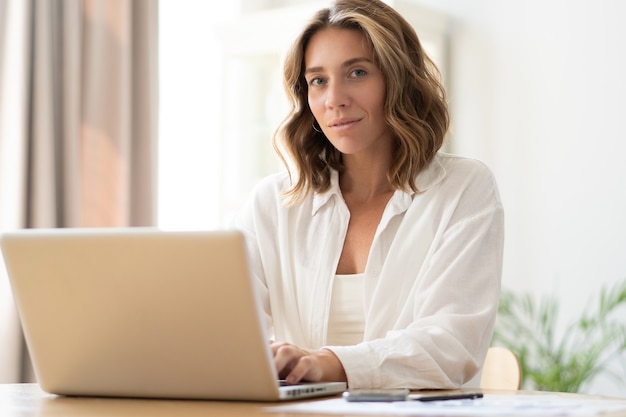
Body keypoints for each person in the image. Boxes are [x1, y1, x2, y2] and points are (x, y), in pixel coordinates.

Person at [233, 0, 504, 389]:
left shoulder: (463, 189)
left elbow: (450, 346)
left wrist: (328, 364)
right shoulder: (272, 202)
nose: (334, 99)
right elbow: (226, 330)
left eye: (357, 72)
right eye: (318, 80)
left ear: (399, 80)